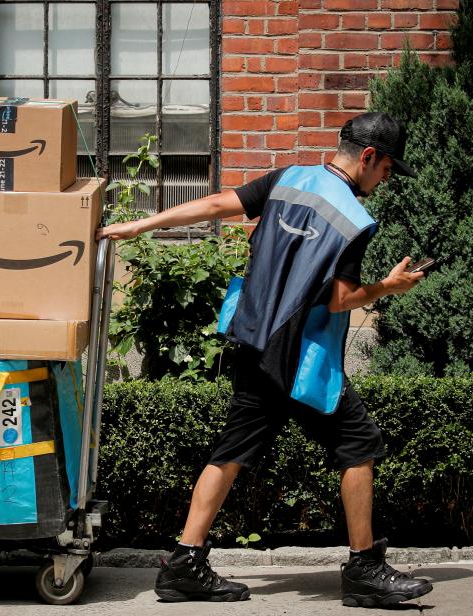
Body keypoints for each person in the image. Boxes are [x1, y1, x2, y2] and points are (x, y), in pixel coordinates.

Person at [96, 112, 434, 608]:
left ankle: (184, 564)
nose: (384, 181)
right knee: (359, 442)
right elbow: (340, 300)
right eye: (385, 169)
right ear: (368, 157)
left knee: (232, 451)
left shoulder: (287, 177)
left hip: (254, 339)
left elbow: (215, 204)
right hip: (300, 356)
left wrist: (140, 224)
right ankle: (364, 569)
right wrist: (389, 286)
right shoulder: (354, 220)